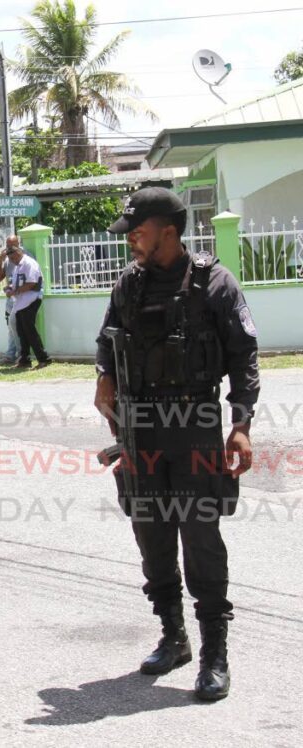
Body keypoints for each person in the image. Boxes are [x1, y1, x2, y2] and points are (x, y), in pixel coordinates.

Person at [93, 187, 260, 701]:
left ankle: (214, 655)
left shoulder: (215, 284)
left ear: (168, 230)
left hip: (196, 423)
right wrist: (104, 377)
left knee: (202, 541)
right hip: (140, 428)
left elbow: (243, 354)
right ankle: (173, 637)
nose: (131, 243)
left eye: (138, 233)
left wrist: (241, 424)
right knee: (152, 538)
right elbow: (107, 339)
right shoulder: (129, 284)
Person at [4, 239, 51, 367]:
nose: (12, 261)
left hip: (31, 300)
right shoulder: (18, 266)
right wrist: (9, 288)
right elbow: (15, 282)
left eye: (13, 258)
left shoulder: (29, 263)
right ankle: (24, 359)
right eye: (11, 259)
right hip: (21, 302)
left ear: (19, 253)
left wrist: (14, 292)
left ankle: (44, 359)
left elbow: (32, 283)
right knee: (21, 331)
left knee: (30, 331)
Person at [0, 237, 21, 364]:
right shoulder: (7, 259)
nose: (9, 249)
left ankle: (21, 355)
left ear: (18, 244)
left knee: (19, 327)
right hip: (10, 299)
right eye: (7, 246)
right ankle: (11, 355)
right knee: (10, 327)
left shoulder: (25, 257)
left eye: (12, 246)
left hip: (22, 298)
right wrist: (0, 261)